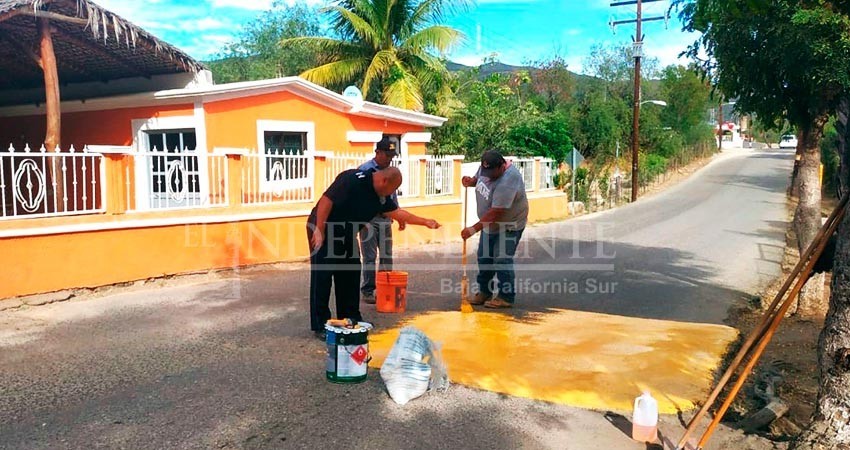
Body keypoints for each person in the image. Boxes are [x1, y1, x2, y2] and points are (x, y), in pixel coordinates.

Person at [307, 166, 440, 339]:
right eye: (391, 190)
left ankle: (350, 317)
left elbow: (398, 212)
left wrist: (425, 222)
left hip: (347, 233)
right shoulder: (353, 179)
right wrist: (319, 230)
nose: (390, 194)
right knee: (323, 276)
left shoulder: (381, 198)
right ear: (384, 181)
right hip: (324, 228)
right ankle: (321, 324)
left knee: (351, 273)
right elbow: (326, 201)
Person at [460, 150, 529, 309]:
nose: (488, 175)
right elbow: (479, 180)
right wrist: (471, 181)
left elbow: (496, 212)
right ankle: (485, 292)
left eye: (491, 173)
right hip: (490, 224)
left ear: (501, 166)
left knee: (501, 258)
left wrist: (473, 229)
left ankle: (506, 296)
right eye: (486, 172)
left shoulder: (509, 180)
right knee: (484, 258)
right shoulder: (487, 167)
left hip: (509, 224)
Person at [358, 136, 403, 304]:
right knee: (370, 256)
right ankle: (368, 290)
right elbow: (360, 198)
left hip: (386, 219)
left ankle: (385, 287)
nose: (390, 159)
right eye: (387, 155)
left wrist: (398, 215)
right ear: (378, 152)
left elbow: (392, 195)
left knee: (387, 255)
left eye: (392, 156)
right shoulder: (365, 170)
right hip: (369, 220)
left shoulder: (389, 171)